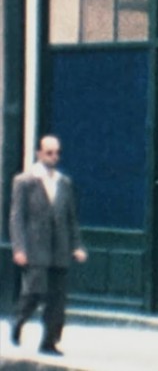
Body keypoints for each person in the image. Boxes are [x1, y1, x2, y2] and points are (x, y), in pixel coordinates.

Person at [9, 135, 87, 356]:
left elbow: (71, 218)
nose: (54, 157)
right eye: (49, 152)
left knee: (57, 299)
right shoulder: (24, 181)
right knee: (34, 291)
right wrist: (19, 248)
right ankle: (18, 321)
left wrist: (77, 245)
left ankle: (50, 341)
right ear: (39, 153)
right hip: (35, 247)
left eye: (57, 153)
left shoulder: (64, 182)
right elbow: (17, 217)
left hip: (59, 248)